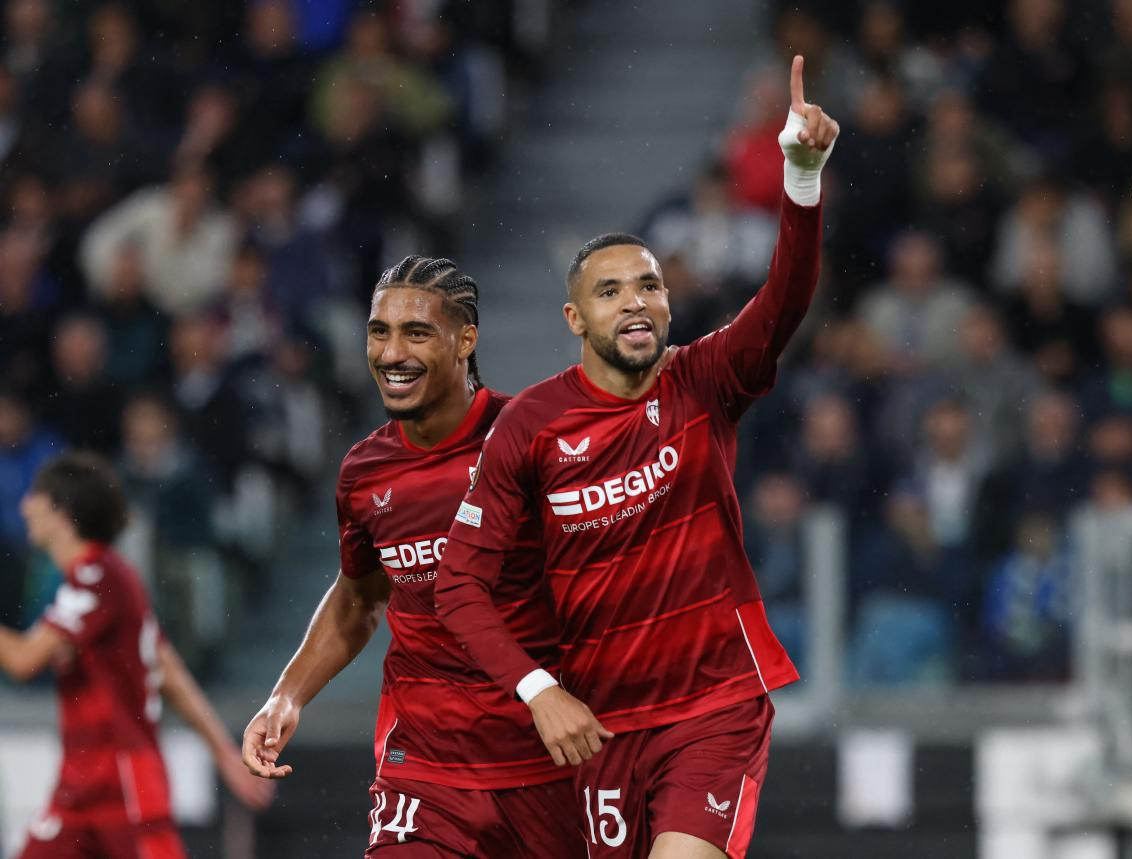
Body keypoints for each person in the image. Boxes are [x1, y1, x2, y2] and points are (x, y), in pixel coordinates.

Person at [435, 56, 837, 859]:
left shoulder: (702, 380)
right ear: (575, 318)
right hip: (600, 722)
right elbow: (459, 583)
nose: (636, 302)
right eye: (611, 291)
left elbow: (785, 299)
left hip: (714, 705)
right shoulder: (530, 425)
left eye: (649, 286)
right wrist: (540, 690)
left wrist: (801, 178)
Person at [240, 257, 584, 857]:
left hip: (548, 762)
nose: (392, 352)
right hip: (423, 767)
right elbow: (360, 597)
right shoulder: (363, 474)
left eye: (417, 332)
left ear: (465, 340)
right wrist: (286, 696)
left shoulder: (530, 440)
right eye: (379, 331)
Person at [0, 451, 272, 859]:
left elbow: (23, 661)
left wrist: (225, 754)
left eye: (35, 496)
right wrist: (225, 753)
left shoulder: (100, 577)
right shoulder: (104, 580)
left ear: (62, 510)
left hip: (122, 783)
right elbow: (169, 670)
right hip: (80, 786)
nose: (24, 506)